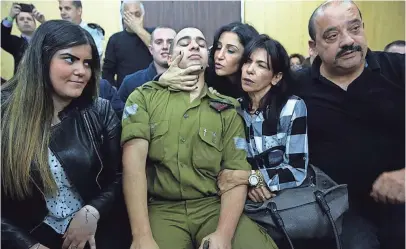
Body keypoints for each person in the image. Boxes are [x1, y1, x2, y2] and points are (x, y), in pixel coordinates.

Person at [121, 27, 278, 249]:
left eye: (201, 43)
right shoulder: (143, 97)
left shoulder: (228, 108)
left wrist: (223, 235)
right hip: (163, 209)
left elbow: (234, 171)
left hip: (214, 206)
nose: (194, 46)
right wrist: (141, 236)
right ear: (171, 56)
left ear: (207, 58)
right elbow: (133, 167)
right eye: (184, 42)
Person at [1, 20, 122, 249]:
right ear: (42, 58)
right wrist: (29, 245)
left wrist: (92, 211)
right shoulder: (4, 114)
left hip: (94, 231)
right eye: (70, 59)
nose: (81, 71)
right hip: (27, 236)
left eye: (87, 63)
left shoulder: (99, 111)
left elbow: (119, 175)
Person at [295, 1, 405, 249]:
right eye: (332, 35)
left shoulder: (398, 70)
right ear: (313, 46)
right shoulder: (296, 86)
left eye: (354, 28)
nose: (347, 41)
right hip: (336, 209)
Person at [216, 34, 308, 204]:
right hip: (241, 199)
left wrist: (250, 178)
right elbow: (226, 166)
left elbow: (297, 170)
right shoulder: (234, 109)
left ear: (276, 77)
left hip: (283, 199)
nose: (249, 70)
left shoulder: (292, 107)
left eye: (261, 65)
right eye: (247, 62)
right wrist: (249, 183)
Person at [158, 22, 259, 98]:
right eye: (218, 47)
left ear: (247, 56)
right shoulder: (207, 68)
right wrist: (161, 80)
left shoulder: (257, 79)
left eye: (231, 51)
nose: (219, 56)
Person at [102, 0, 153, 88]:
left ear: (142, 15)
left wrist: (137, 29)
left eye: (137, 14)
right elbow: (107, 72)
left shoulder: (153, 34)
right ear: (122, 16)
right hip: (125, 93)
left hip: (151, 91)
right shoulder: (115, 39)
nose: (133, 19)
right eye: (129, 15)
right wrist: (114, 91)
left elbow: (157, 49)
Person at [118, 26, 176, 102]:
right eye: (159, 42)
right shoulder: (130, 83)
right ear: (151, 49)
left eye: (170, 42)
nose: (165, 46)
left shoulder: (191, 81)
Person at [1, 3, 46, 73]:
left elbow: (58, 42)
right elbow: (2, 38)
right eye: (21, 19)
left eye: (29, 19)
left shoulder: (45, 40)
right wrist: (10, 17)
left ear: (35, 23)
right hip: (21, 83)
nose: (25, 21)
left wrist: (44, 23)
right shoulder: (15, 43)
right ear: (17, 25)